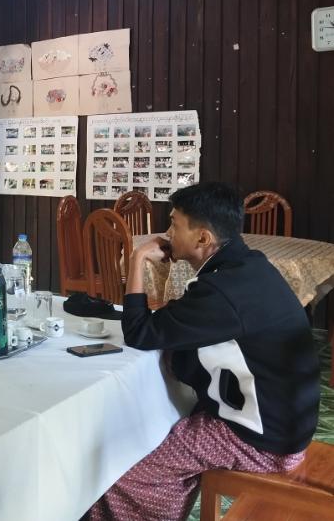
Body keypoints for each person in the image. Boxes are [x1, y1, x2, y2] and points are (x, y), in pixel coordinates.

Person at [87, 182, 320, 521]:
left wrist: (137, 260)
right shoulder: (249, 267)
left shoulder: (221, 291)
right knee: (165, 431)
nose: (167, 233)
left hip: (263, 442)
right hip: (286, 425)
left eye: (174, 224)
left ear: (202, 238)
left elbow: (139, 333)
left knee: (130, 471)